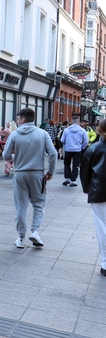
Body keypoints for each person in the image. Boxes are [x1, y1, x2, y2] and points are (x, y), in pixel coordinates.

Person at [2, 108, 56, 249]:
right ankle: (35, 231)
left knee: (21, 207)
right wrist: (50, 172)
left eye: (18, 119)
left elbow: (6, 156)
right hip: (37, 173)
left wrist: (17, 156)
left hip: (20, 173)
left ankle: (21, 238)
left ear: (23, 119)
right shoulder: (42, 134)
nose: (17, 121)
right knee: (39, 204)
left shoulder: (14, 135)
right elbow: (53, 154)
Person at [81, 119, 106, 276]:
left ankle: (105, 262)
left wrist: (87, 189)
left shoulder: (93, 148)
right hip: (98, 191)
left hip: (99, 191)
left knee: (102, 226)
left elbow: (85, 172)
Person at [61, 116, 88, 187]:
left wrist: (67, 144)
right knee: (75, 165)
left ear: (72, 121)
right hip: (77, 150)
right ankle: (73, 181)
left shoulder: (66, 130)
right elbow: (86, 141)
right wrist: (82, 147)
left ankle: (67, 178)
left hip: (68, 149)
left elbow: (62, 140)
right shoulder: (82, 130)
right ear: (78, 121)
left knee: (67, 164)